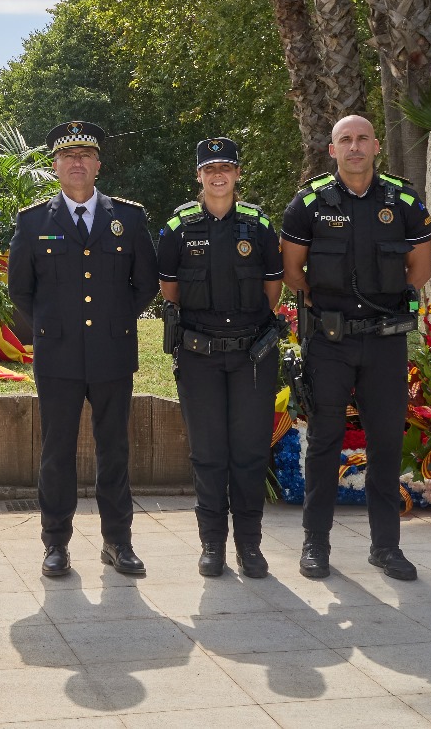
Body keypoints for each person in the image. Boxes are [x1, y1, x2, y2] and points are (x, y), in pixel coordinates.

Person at [280, 114, 431, 582]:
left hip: (385, 344)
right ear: (332, 150)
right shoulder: (308, 204)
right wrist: (334, 313)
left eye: (363, 138)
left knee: (386, 444)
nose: (355, 147)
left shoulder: (403, 201)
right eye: (345, 140)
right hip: (330, 343)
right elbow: (292, 273)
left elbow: (419, 271)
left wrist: (379, 311)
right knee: (323, 443)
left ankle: (386, 547)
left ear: (376, 146)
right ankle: (315, 545)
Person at [8, 121, 158, 578]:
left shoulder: (128, 218)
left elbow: (146, 284)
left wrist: (112, 324)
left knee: (114, 449)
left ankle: (118, 542)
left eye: (85, 155)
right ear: (54, 165)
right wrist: (54, 328)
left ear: (97, 164)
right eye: (67, 156)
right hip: (59, 357)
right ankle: (56, 544)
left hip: (112, 355)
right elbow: (21, 290)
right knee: (56, 453)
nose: (76, 163)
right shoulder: (33, 221)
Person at [156, 137, 284, 579]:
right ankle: (212, 544)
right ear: (198, 175)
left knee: (249, 454)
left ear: (237, 174)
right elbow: (170, 291)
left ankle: (250, 546)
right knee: (208, 454)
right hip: (200, 357)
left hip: (252, 356)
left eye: (225, 167)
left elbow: (273, 291)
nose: (217, 175)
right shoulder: (178, 227)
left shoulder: (259, 225)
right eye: (209, 168)